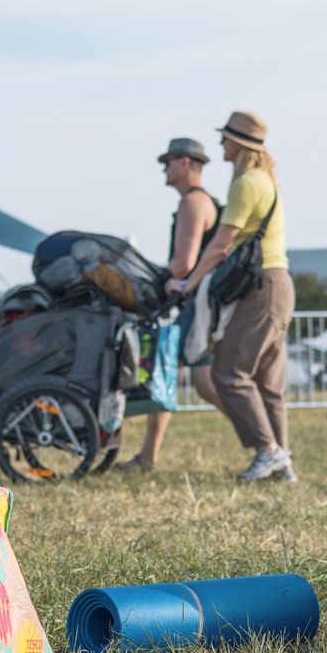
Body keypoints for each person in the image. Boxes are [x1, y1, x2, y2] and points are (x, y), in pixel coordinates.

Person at [166, 112, 295, 482]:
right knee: (269, 384)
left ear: (240, 144)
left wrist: (189, 284)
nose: (221, 144)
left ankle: (269, 451)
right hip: (279, 284)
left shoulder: (247, 183)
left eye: (225, 139)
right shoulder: (265, 180)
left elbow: (222, 244)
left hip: (263, 288)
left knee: (229, 373)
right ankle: (281, 462)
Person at [118, 138, 223, 472]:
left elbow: (183, 263)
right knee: (165, 374)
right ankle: (148, 456)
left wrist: (154, 279)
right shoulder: (201, 201)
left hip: (198, 303)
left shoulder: (193, 202)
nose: (165, 168)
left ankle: (266, 444)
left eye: (169, 160)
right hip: (201, 301)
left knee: (205, 383)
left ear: (186, 164)